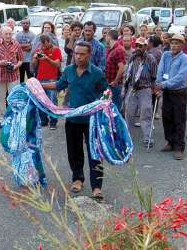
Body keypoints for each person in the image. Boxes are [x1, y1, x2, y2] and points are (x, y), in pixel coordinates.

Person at [42, 41, 107, 201]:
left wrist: (105, 102)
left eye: (82, 54)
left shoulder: (97, 73)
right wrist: (39, 85)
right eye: (76, 53)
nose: (78, 56)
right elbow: (59, 85)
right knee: (74, 150)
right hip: (72, 119)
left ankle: (97, 187)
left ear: (89, 55)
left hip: (92, 120)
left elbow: (105, 92)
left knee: (95, 153)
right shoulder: (69, 70)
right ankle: (77, 179)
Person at [155, 34, 187, 160]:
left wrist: (163, 84)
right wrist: (159, 83)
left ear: (182, 45)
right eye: (172, 43)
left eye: (177, 43)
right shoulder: (166, 55)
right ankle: (170, 142)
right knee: (167, 117)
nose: (174, 45)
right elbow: (160, 69)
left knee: (179, 119)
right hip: (167, 91)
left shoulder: (185, 58)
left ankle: (179, 147)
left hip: (179, 92)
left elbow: (181, 77)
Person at [122, 37, 158, 148]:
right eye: (136, 45)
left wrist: (154, 89)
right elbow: (128, 74)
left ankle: (148, 138)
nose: (138, 48)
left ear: (145, 47)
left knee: (145, 114)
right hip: (132, 89)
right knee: (129, 114)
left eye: (140, 46)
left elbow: (154, 76)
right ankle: (127, 137)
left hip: (145, 89)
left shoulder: (151, 59)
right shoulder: (132, 58)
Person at [0, 26, 23, 126]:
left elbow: (21, 60)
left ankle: (13, 118)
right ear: (1, 34)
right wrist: (0, 62)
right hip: (0, 75)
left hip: (13, 75)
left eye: (10, 33)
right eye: (6, 34)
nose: (8, 36)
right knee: (0, 99)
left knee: (13, 98)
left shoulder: (16, 44)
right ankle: (1, 119)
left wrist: (15, 66)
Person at [32, 34, 62, 130]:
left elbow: (57, 64)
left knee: (52, 101)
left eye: (45, 45)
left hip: (52, 79)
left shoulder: (56, 50)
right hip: (40, 79)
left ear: (49, 41)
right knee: (41, 101)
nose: (43, 47)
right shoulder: (39, 50)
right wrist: (35, 58)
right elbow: (34, 66)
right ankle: (43, 120)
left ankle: (53, 121)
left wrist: (47, 58)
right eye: (42, 45)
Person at [105, 29, 126, 109]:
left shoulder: (118, 50)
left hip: (115, 85)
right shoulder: (110, 49)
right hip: (108, 83)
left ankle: (116, 121)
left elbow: (122, 67)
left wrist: (115, 81)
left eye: (106, 36)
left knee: (116, 107)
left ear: (109, 37)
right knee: (106, 105)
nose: (105, 38)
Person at [15, 18, 36, 83]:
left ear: (29, 24)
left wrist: (20, 46)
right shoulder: (18, 35)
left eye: (27, 23)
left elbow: (31, 47)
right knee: (20, 80)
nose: (25, 24)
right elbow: (16, 46)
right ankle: (21, 92)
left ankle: (31, 92)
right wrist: (28, 45)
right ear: (21, 24)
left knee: (31, 79)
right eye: (24, 23)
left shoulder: (33, 35)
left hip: (29, 60)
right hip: (20, 60)